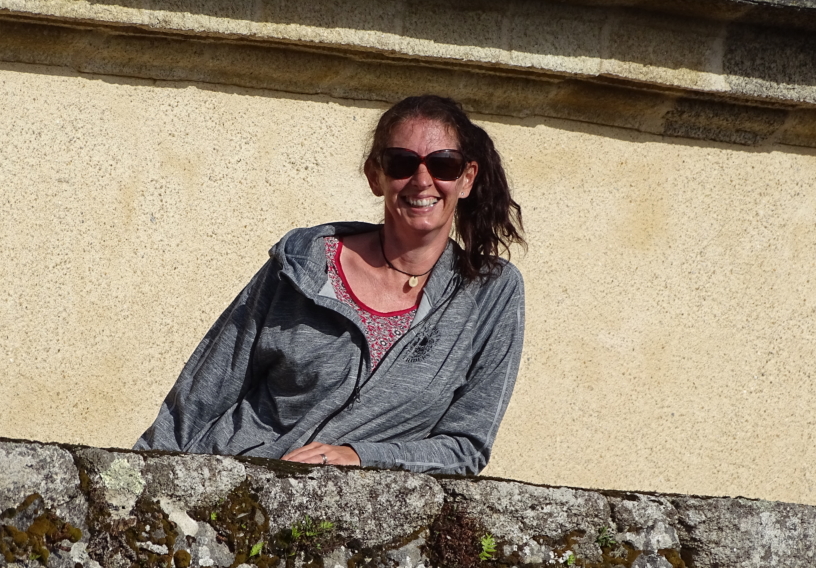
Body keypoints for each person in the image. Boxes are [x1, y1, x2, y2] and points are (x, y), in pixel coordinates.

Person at [134, 95, 526, 475]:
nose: (422, 180)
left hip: (346, 513)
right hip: (232, 481)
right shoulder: (304, 265)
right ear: (376, 176)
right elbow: (205, 390)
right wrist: (141, 485)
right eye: (402, 162)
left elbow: (465, 447)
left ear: (467, 178)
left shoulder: (491, 293)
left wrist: (358, 457)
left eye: (443, 164)